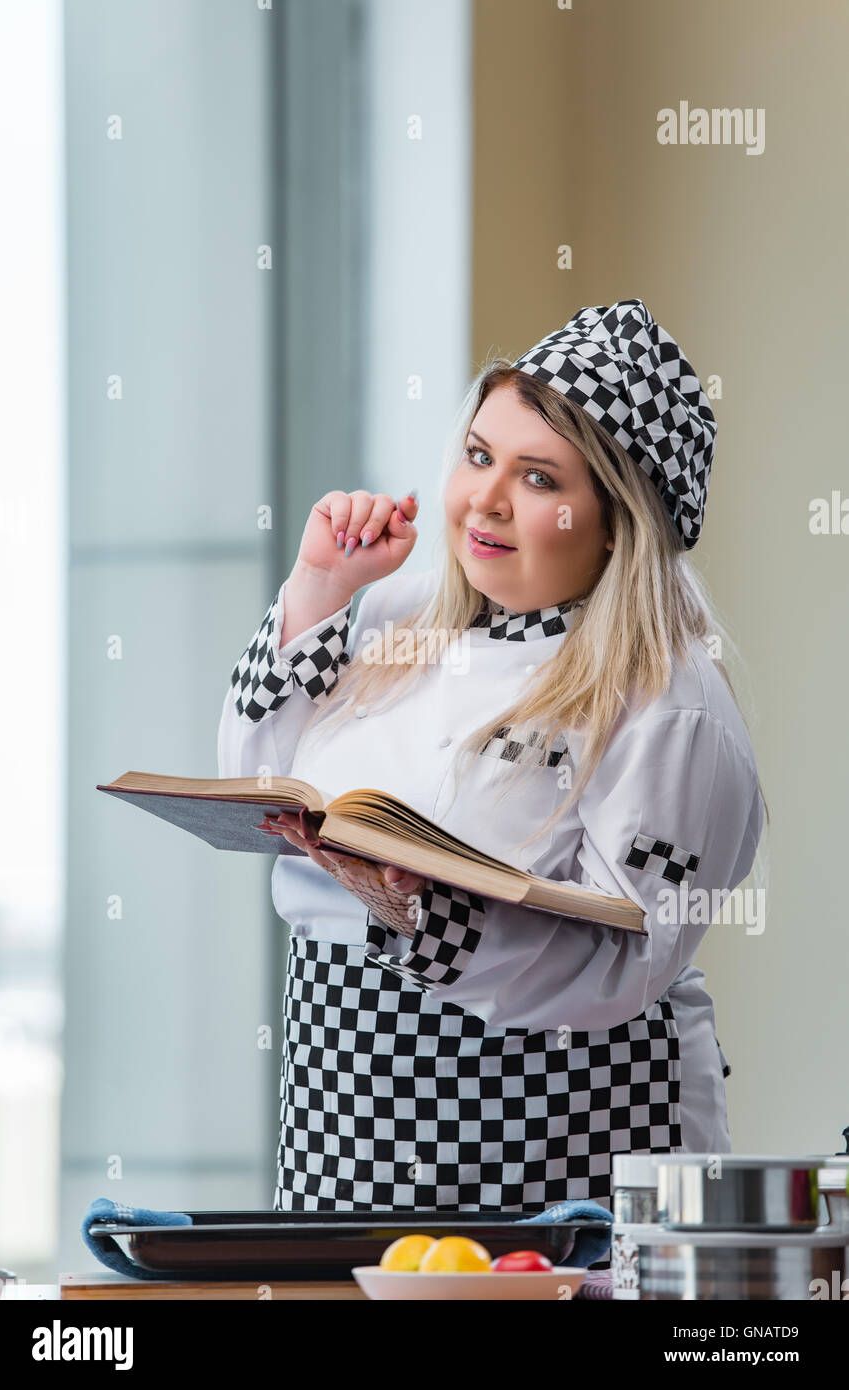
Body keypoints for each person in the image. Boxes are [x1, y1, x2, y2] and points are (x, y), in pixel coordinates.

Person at [217, 298, 767, 1214]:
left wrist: (414, 911)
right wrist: (318, 586)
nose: (486, 499)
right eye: (479, 456)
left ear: (617, 521)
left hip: (557, 1133)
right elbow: (257, 774)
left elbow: (624, 965)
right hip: (344, 1102)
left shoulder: (673, 709)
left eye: (540, 479)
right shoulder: (394, 613)